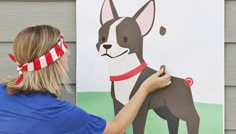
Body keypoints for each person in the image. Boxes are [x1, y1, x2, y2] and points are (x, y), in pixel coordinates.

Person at [0, 25, 171, 134]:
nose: (67, 53)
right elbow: (117, 129)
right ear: (53, 63)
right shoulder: (60, 114)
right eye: (62, 50)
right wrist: (145, 88)